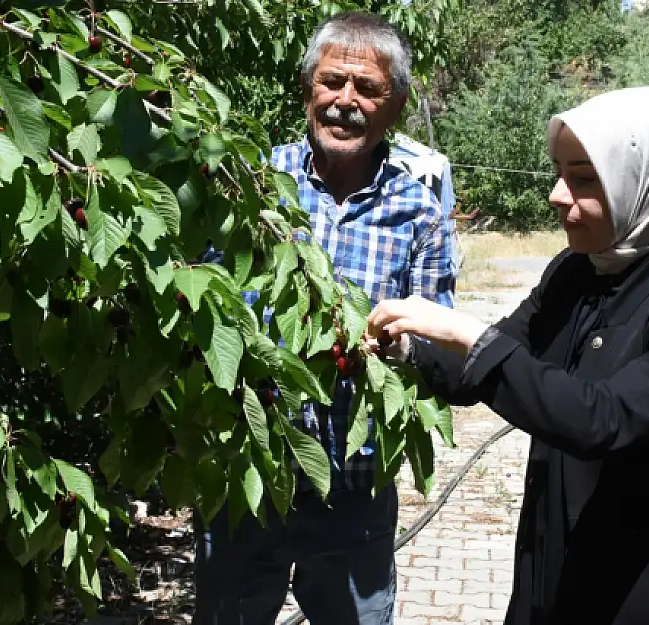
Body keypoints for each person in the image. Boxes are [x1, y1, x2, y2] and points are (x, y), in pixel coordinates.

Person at [365, 86, 649, 625]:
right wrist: (409, 347)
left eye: (584, 179)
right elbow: (480, 371)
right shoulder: (574, 273)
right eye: (558, 171)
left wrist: (471, 335)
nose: (555, 194)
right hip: (550, 573)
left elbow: (603, 420)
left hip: (644, 593)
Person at [192, 11, 457, 625]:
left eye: (369, 89)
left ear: (395, 106)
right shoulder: (252, 183)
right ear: (308, 87)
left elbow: (436, 340)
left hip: (355, 483)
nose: (347, 101)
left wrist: (390, 345)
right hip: (246, 467)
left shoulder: (419, 212)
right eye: (333, 81)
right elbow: (205, 305)